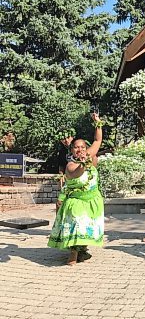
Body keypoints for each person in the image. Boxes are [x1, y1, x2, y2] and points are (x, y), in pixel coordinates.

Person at [47, 114, 104, 265]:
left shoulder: (90, 155)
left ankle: (82, 250)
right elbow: (76, 173)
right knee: (78, 222)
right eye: (76, 147)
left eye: (82, 147)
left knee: (87, 227)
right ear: (72, 150)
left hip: (93, 199)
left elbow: (98, 140)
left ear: (86, 148)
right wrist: (84, 164)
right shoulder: (70, 165)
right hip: (76, 200)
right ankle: (73, 254)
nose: (80, 149)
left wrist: (98, 123)